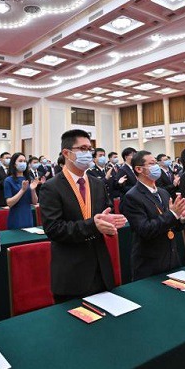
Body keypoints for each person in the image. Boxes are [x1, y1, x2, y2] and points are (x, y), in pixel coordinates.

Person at [40, 129, 126, 303]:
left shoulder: (97, 183)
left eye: (90, 149)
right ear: (67, 153)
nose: (88, 153)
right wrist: (93, 225)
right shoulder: (52, 187)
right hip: (71, 271)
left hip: (101, 268)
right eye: (83, 149)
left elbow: (104, 214)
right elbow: (53, 229)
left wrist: (110, 224)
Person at [121, 150, 185, 280]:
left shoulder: (163, 192)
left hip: (171, 257)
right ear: (139, 169)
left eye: (156, 163)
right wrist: (172, 214)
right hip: (149, 263)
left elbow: (173, 226)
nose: (156, 167)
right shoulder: (132, 197)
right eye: (151, 164)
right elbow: (145, 229)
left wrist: (181, 217)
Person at [4, 152, 38, 229]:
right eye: (20, 161)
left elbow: (34, 202)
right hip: (16, 216)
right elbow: (9, 203)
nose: (23, 163)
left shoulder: (29, 179)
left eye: (24, 161)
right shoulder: (8, 180)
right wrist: (22, 190)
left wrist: (33, 190)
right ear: (14, 164)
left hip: (28, 216)